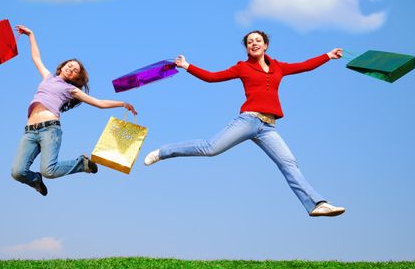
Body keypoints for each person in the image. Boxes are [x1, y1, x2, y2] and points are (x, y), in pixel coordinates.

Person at [144, 30, 345, 217]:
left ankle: (316, 204)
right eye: (250, 42)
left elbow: (304, 65)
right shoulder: (243, 67)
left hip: (268, 127)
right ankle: (163, 152)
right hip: (249, 120)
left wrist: (327, 55)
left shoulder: (278, 67)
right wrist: (187, 66)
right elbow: (213, 77)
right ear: (247, 48)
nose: (254, 44)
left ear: (266, 45)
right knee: (210, 148)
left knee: (288, 162)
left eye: (258, 41)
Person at [11, 25, 137, 196]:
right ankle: (35, 180)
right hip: (29, 132)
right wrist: (31, 35)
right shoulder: (48, 77)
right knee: (17, 172)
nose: (71, 68)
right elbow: (36, 58)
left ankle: (82, 164)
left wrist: (122, 103)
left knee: (49, 171)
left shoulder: (71, 90)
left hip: (50, 130)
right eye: (70, 65)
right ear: (62, 67)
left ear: (76, 78)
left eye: (75, 70)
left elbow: (98, 102)